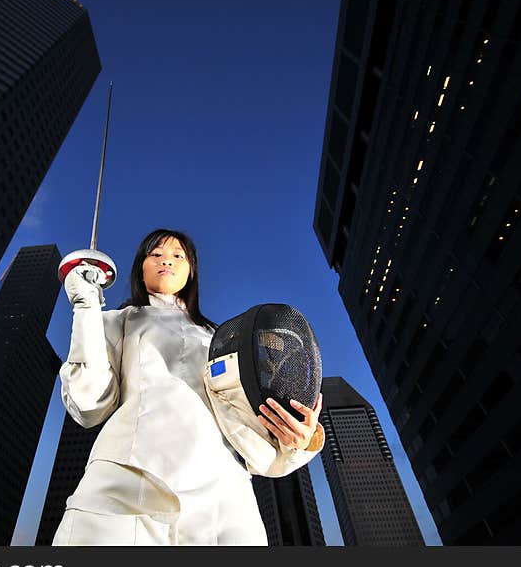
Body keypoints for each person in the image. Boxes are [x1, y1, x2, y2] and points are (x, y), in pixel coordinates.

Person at [51, 229, 324, 546]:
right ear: (141, 267)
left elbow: (247, 425)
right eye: (156, 254)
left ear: (191, 270)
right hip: (126, 487)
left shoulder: (223, 337)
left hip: (224, 497)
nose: (166, 259)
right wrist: (86, 308)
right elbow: (88, 405)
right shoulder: (117, 321)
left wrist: (295, 444)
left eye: (178, 255)